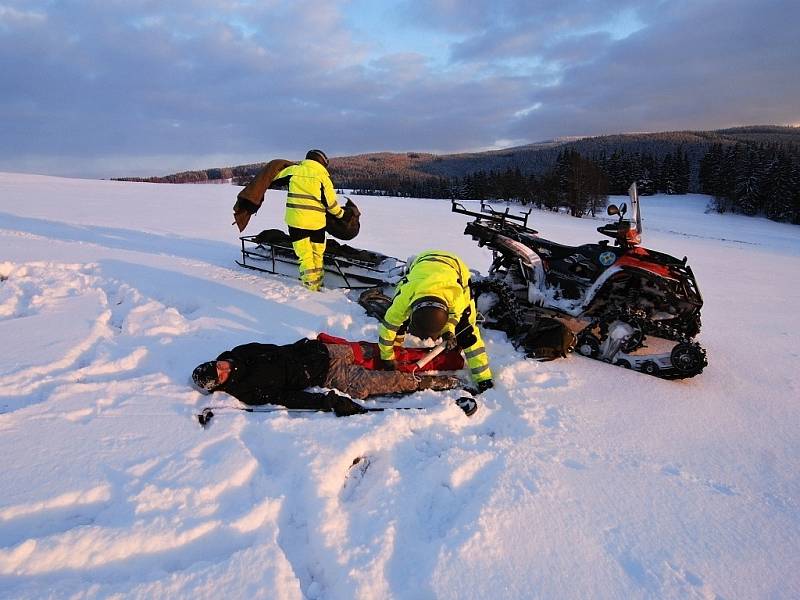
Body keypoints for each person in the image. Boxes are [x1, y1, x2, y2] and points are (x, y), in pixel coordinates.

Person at [191, 337, 461, 416]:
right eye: (221, 375)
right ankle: (436, 382)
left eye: (219, 365)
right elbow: (288, 398)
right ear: (222, 384)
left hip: (321, 350)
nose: (224, 368)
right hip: (328, 373)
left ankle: (434, 354)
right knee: (377, 382)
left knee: (381, 352)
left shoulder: (240, 350)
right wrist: (327, 402)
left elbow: (276, 348)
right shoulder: (248, 391)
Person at [377, 250, 494, 393]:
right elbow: (388, 328)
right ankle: (398, 350)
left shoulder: (458, 298)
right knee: (399, 325)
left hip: (456, 269)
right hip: (423, 261)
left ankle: (483, 378)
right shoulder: (404, 296)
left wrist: (449, 331)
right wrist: (387, 357)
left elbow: (455, 317)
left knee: (467, 334)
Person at [273, 149, 344, 291]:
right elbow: (331, 204)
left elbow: (274, 179)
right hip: (317, 224)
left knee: (305, 255)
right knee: (317, 253)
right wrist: (341, 214)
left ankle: (311, 284)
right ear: (322, 162)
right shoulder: (323, 177)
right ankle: (316, 284)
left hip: (296, 222)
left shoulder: (293, 171)